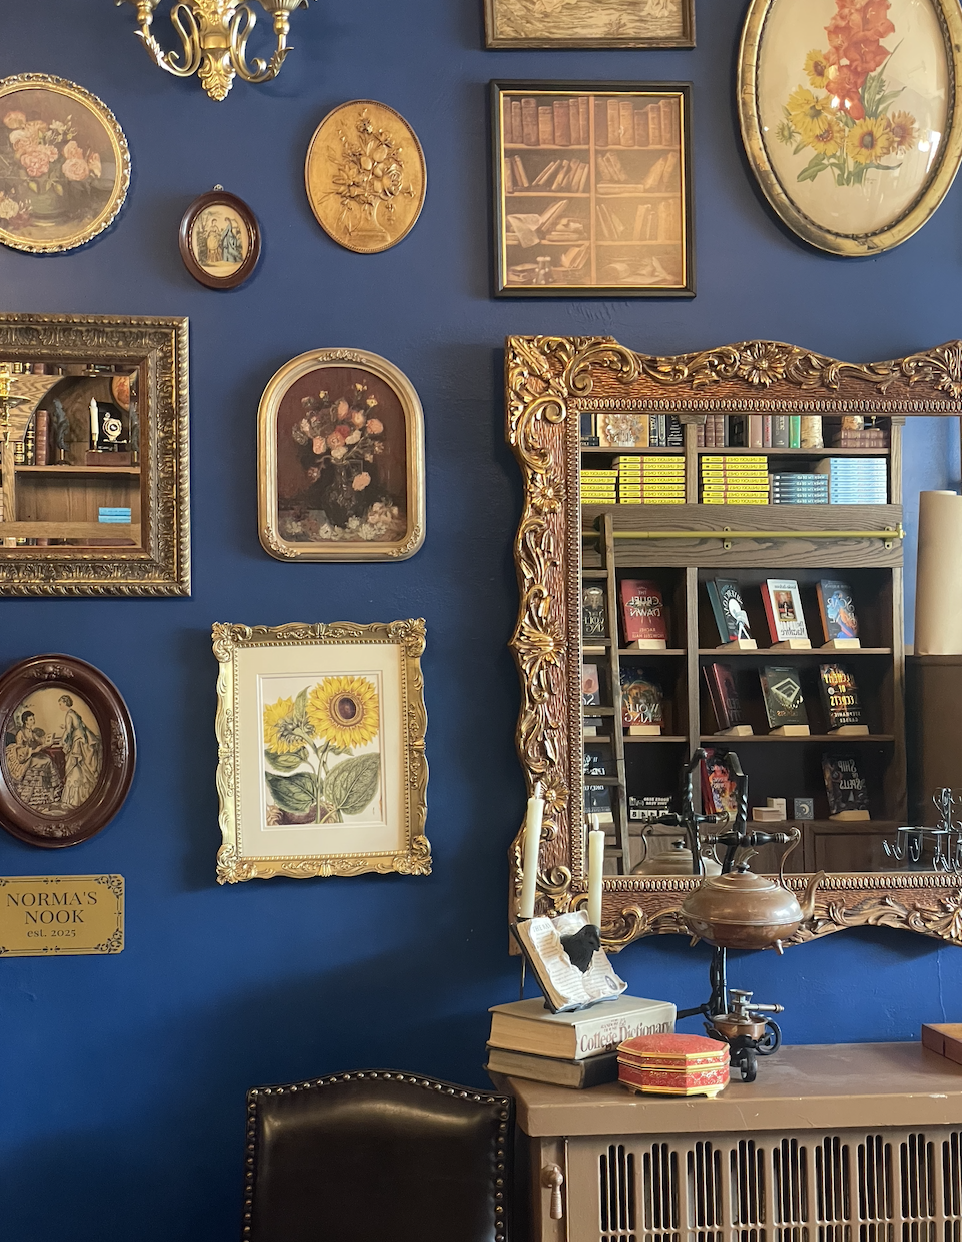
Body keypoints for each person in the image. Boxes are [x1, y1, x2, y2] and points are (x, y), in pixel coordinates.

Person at [5, 709, 61, 810]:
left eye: (33, 719)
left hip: (33, 754)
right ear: (25, 721)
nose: (33, 721)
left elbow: (39, 741)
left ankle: (50, 792)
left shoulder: (31, 732)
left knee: (48, 759)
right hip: (25, 758)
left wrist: (47, 742)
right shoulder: (20, 733)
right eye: (31, 719)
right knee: (43, 761)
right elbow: (19, 750)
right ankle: (38, 796)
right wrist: (34, 750)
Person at [59, 695, 101, 809]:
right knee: (81, 768)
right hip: (82, 739)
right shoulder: (74, 713)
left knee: (74, 766)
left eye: (60, 704)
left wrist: (62, 741)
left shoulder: (69, 714)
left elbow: (68, 731)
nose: (60, 706)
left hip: (77, 742)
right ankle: (82, 797)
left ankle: (73, 800)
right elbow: (77, 726)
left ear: (65, 703)